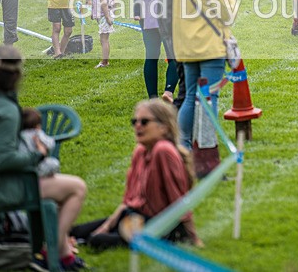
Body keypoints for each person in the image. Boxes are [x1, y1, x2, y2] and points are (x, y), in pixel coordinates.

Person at [0, 45, 88, 271]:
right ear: (14, 75)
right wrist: (37, 155)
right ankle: (55, 250)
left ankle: (57, 250)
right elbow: (5, 159)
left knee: (60, 187)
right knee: (77, 188)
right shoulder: (4, 109)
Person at [69, 99, 201, 250]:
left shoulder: (163, 151)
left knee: (97, 240)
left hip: (159, 227)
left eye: (144, 122)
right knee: (74, 231)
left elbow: (178, 199)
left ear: (163, 127)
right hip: (134, 218)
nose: (138, 126)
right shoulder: (140, 150)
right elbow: (128, 200)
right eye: (135, 121)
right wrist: (106, 226)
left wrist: (193, 237)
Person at [173, 0, 243, 149]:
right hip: (210, 46)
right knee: (210, 99)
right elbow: (227, 15)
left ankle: (183, 147)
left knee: (190, 96)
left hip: (187, 46)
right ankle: (206, 152)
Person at [19, 107, 61, 178]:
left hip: (21, 166)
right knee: (54, 163)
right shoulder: (37, 133)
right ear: (37, 126)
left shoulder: (19, 134)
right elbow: (51, 144)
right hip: (36, 165)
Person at [90, 0, 115, 68]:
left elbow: (104, 3)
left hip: (105, 16)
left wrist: (107, 17)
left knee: (103, 39)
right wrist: (93, 12)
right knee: (104, 39)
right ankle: (105, 61)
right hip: (106, 15)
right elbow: (113, 0)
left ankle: (104, 62)